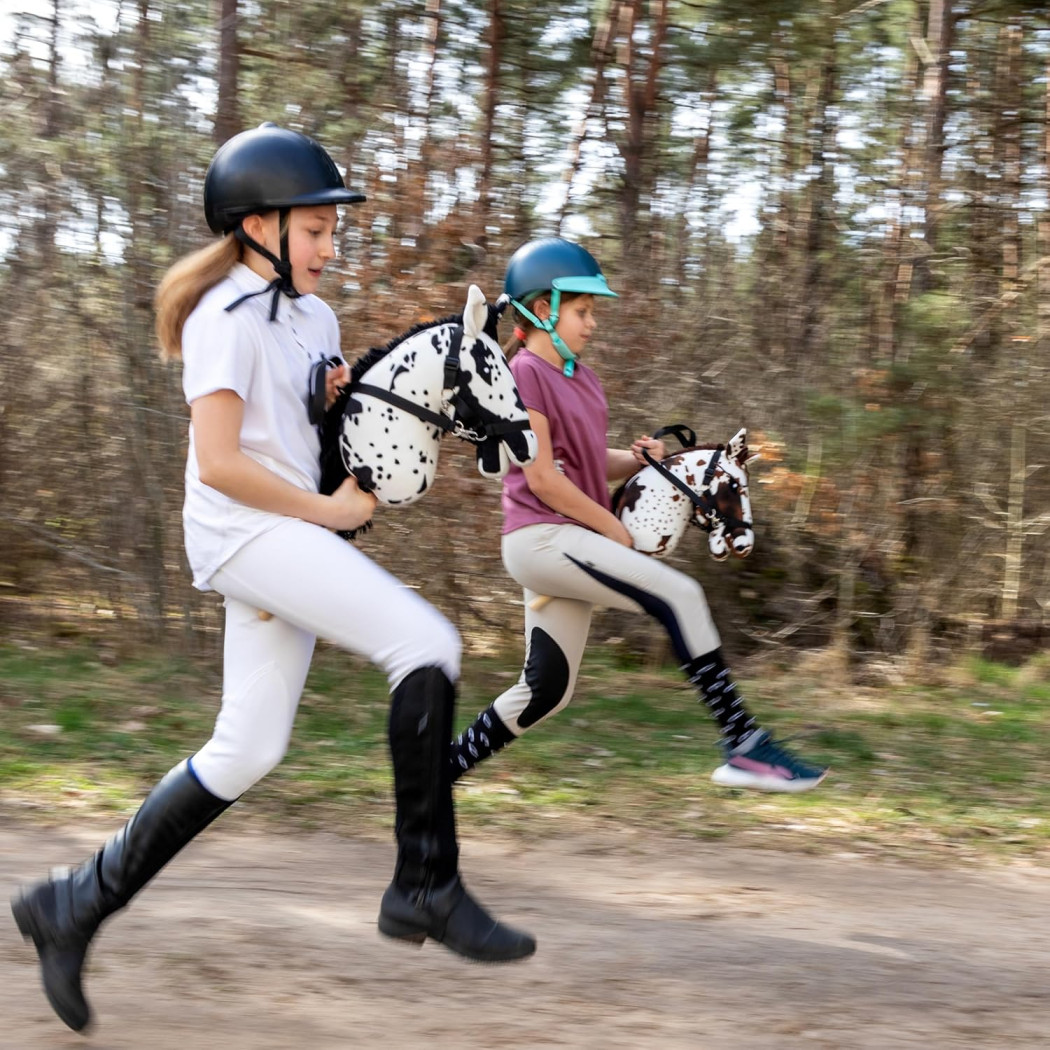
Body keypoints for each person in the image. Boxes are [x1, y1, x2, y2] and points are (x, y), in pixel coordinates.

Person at [10, 123, 534, 1034]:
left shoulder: (314, 318)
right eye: (317, 230)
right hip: (246, 532)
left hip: (281, 530)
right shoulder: (221, 318)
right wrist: (331, 514)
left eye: (335, 231)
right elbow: (218, 462)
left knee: (247, 748)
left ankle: (73, 903)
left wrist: (332, 412)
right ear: (256, 225)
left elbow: (292, 439)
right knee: (428, 644)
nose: (333, 247)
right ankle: (424, 885)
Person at [448, 237, 827, 793]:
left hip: (572, 540)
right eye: (581, 311)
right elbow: (544, 478)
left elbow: (586, 464)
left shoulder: (583, 378)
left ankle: (435, 771)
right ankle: (744, 745)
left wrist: (642, 459)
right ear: (540, 309)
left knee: (547, 691)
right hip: (542, 537)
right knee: (681, 596)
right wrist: (615, 530)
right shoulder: (523, 373)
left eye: (591, 312)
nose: (592, 323)